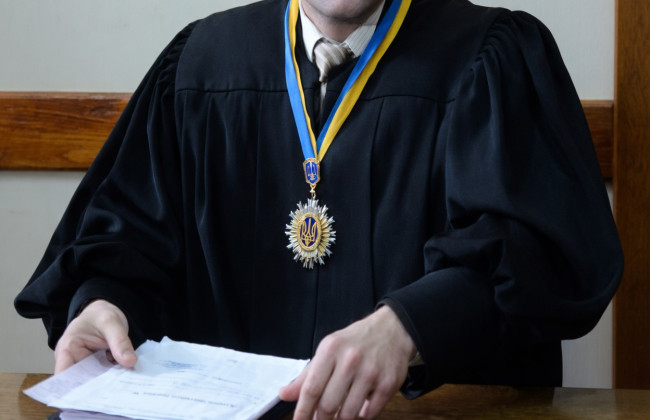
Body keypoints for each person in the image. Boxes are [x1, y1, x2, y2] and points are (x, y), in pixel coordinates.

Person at [15, 0, 623, 418]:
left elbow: (539, 258)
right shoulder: (201, 63)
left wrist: (410, 328)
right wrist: (104, 304)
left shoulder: (488, 56)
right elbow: (130, 238)